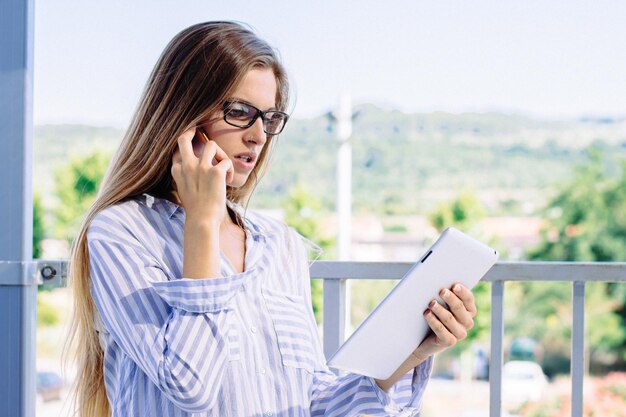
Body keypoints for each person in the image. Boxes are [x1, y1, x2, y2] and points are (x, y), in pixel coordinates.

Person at [67, 21, 477, 417]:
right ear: (183, 116)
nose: (258, 135)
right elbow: (189, 384)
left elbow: (311, 402)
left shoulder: (279, 244)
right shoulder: (121, 233)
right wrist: (203, 224)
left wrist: (412, 352)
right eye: (240, 111)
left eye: (269, 118)